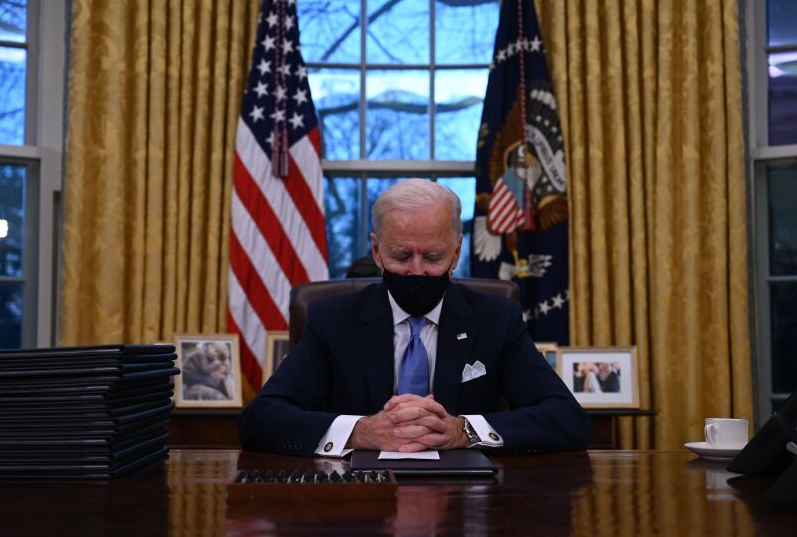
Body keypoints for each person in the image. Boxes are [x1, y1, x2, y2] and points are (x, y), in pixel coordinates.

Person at [239, 179, 590, 456]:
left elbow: (567, 419)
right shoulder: (333, 319)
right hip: (357, 498)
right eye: (401, 255)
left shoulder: (497, 318)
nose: (416, 271)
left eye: (433, 256)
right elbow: (261, 420)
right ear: (376, 250)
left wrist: (462, 431)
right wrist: (361, 431)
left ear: (456, 253)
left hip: (468, 500)